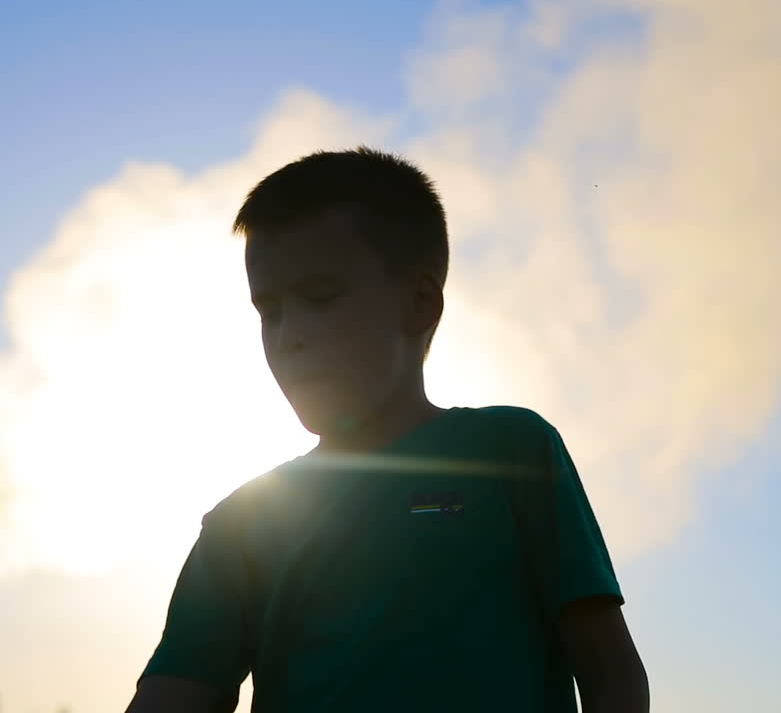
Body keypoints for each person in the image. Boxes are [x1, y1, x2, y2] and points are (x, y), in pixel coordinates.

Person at [125, 148, 649, 712]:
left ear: (420, 303)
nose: (288, 335)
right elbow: (174, 695)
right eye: (269, 310)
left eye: (320, 299)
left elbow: (610, 676)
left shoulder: (509, 452)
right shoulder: (242, 524)